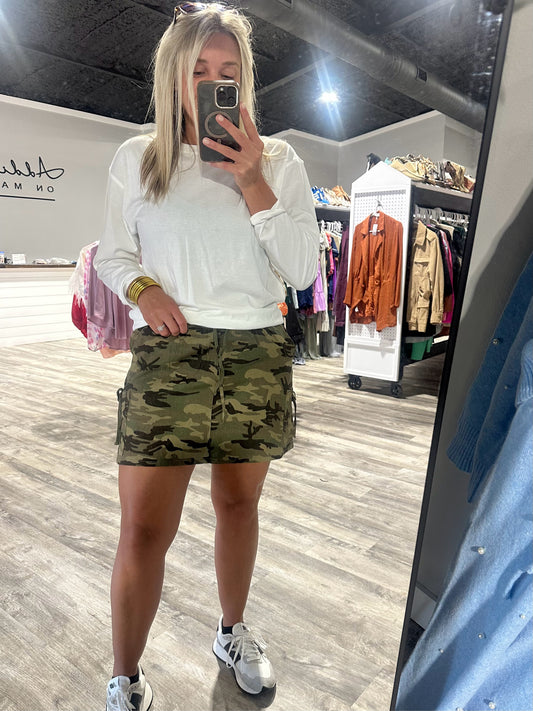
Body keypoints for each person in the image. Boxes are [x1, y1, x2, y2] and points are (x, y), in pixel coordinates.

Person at [94, 3, 320, 709]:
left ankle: (231, 630)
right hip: (171, 355)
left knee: (238, 504)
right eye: (198, 70)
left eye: (228, 71)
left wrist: (252, 178)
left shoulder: (278, 161)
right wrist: (144, 289)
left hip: (255, 352)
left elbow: (303, 270)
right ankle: (125, 676)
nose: (213, 82)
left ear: (243, 80)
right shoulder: (138, 158)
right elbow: (114, 255)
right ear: (173, 77)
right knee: (143, 529)